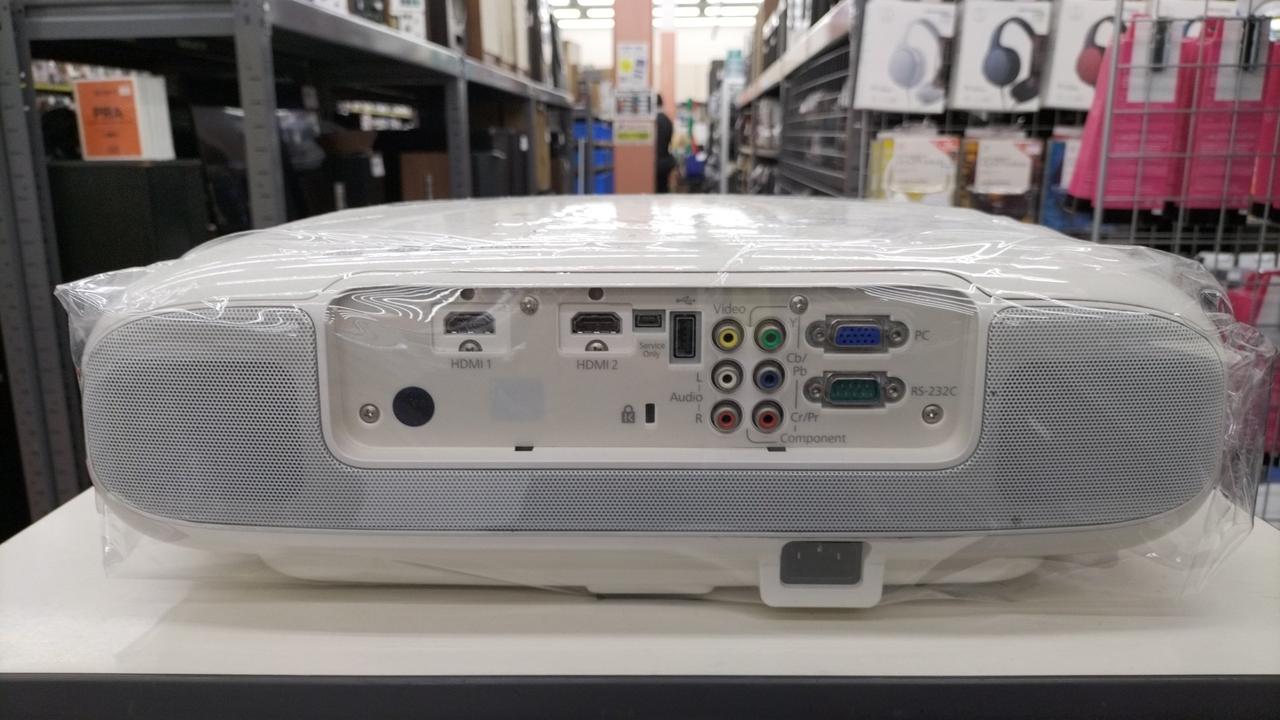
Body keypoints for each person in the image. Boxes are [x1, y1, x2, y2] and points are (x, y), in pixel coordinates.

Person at [654, 94, 675, 193]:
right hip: (666, 161)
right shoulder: (667, 120)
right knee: (664, 188)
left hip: (656, 162)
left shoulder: (654, 121)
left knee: (656, 189)